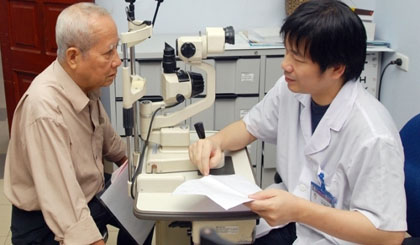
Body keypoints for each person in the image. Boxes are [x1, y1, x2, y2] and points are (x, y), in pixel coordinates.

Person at [189, 0, 406, 244]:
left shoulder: (374, 135)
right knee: (202, 233)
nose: (285, 64)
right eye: (287, 51)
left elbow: (390, 235)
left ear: (336, 68)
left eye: (299, 58)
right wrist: (215, 142)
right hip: (291, 225)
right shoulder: (292, 90)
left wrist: (301, 210)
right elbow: (250, 127)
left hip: (334, 239)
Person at [3, 3, 151, 245]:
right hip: (45, 224)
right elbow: (67, 213)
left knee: (147, 207)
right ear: (73, 57)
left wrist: (146, 173)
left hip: (89, 194)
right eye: (108, 53)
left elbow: (115, 148)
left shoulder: (85, 86)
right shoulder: (45, 110)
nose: (118, 61)